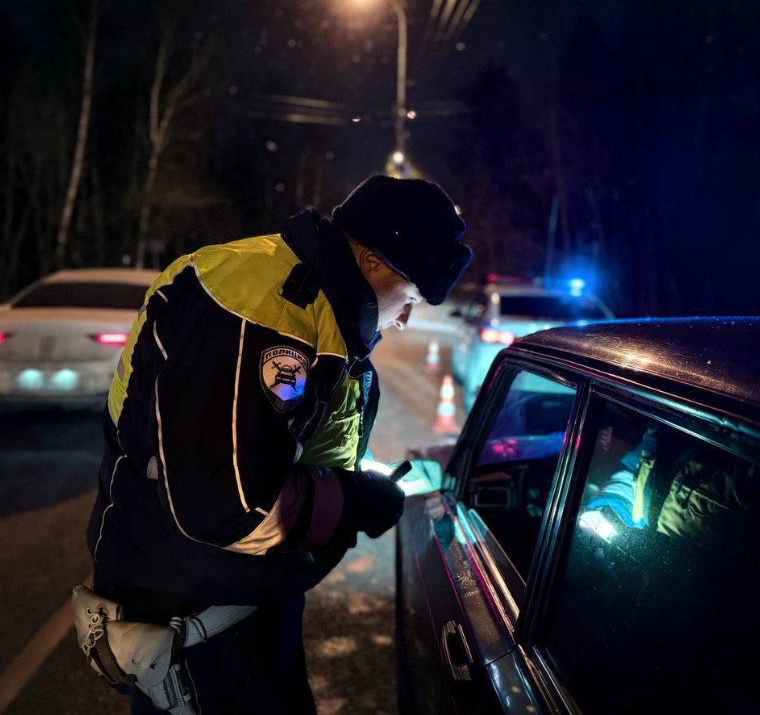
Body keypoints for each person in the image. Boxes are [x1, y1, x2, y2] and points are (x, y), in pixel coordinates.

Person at [78, 175, 472, 714]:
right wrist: (351, 502)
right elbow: (229, 509)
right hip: (192, 627)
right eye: (409, 299)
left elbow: (299, 445)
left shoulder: (318, 310)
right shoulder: (263, 308)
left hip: (237, 605)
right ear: (376, 261)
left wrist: (355, 485)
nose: (404, 319)